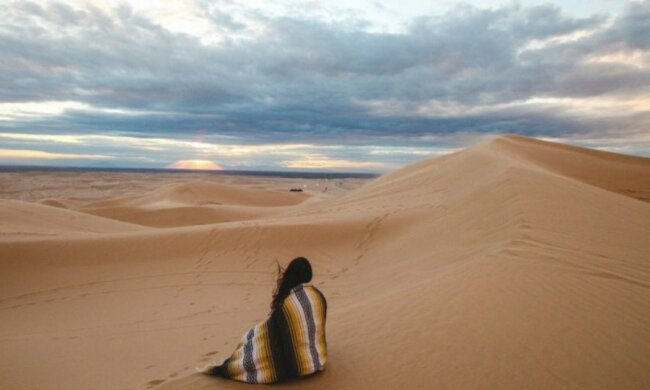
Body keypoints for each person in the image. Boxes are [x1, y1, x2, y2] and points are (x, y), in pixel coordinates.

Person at [201, 257, 327, 384]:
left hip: (299, 370)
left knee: (256, 339)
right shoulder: (319, 297)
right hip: (318, 361)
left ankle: (235, 363)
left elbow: (276, 340)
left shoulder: (287, 305)